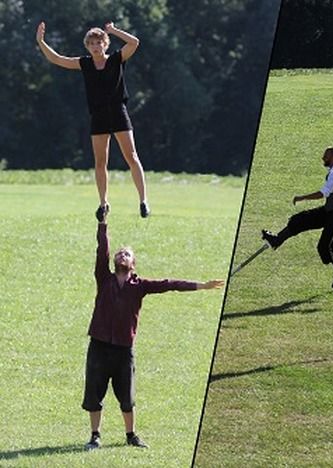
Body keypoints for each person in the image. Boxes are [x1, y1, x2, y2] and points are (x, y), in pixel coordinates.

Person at [83, 214, 224, 451]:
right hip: (98, 345)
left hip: (123, 350)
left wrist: (201, 285)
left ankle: (131, 436)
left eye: (127, 254)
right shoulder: (103, 278)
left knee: (127, 397)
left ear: (133, 264)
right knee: (94, 394)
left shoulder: (141, 286)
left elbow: (170, 284)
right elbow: (102, 251)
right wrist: (102, 223)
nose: (121, 255)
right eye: (120, 253)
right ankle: (95, 436)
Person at [36, 21, 150, 220]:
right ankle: (103, 203)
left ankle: (143, 201)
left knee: (131, 156)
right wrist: (41, 41)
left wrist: (113, 31)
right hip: (98, 115)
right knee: (100, 162)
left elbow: (134, 43)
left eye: (99, 42)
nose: (96, 47)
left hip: (117, 111)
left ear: (105, 44)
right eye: (92, 44)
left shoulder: (116, 59)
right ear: (87, 46)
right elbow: (56, 59)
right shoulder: (85, 63)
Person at [262, 147, 333, 289]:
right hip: (330, 211)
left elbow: (324, 193)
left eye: (325, 156)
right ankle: (277, 240)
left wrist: (303, 197)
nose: (323, 158)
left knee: (326, 246)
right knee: (300, 219)